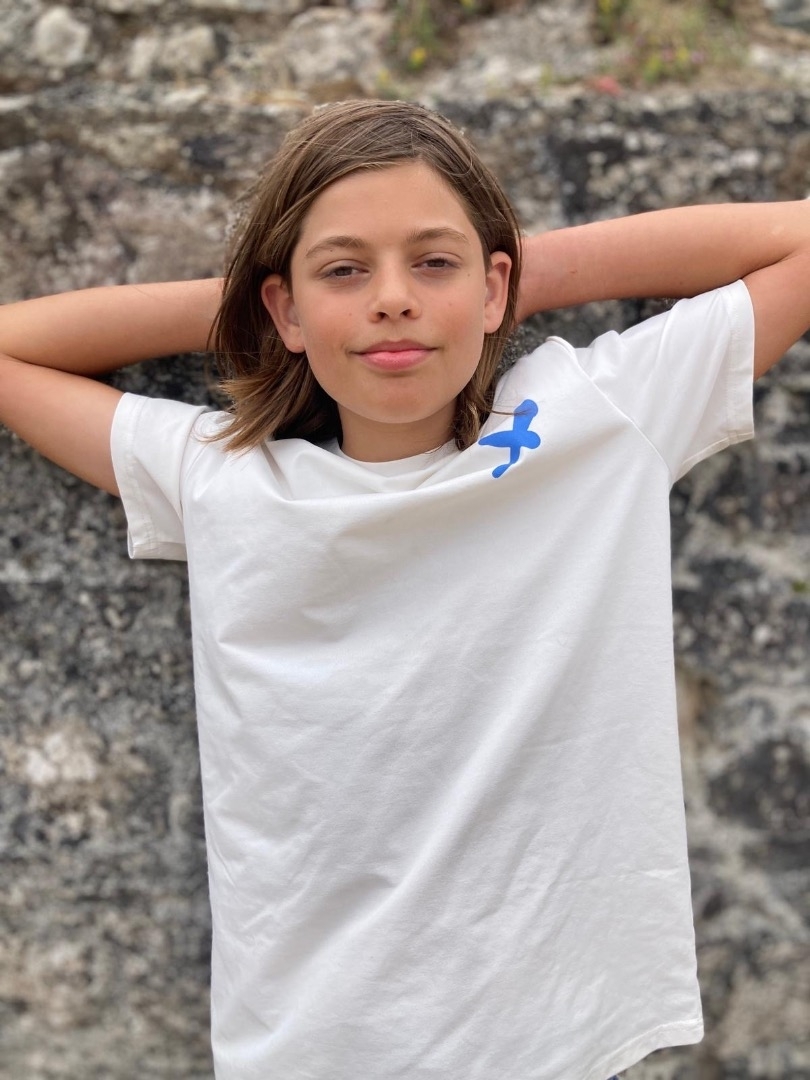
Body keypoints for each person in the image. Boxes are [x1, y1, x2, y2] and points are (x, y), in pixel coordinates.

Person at [1, 98, 808, 1080]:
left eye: (433, 262)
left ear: (495, 284)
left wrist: (511, 279)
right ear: (283, 309)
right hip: (309, 1044)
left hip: (547, 1037)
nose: (392, 299)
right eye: (345, 270)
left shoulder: (595, 420)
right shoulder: (223, 479)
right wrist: (268, 306)